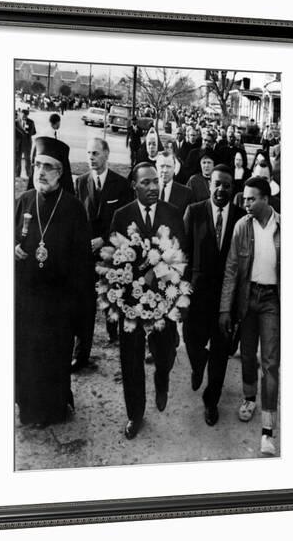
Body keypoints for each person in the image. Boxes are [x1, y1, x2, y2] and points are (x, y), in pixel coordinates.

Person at [14, 137, 93, 427]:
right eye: (37, 165)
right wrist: (12, 249)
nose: (41, 172)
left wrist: (79, 312)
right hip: (26, 299)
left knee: (53, 357)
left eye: (49, 167)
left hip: (58, 303)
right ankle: (29, 407)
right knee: (26, 355)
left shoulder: (73, 209)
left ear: (61, 173)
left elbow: (83, 264)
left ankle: (53, 408)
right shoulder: (23, 200)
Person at [110, 163, 185, 440]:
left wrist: (159, 273)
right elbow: (112, 258)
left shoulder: (173, 214)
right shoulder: (121, 215)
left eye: (156, 182)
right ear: (135, 185)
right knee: (130, 359)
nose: (153, 187)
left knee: (164, 352)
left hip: (163, 300)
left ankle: (162, 378)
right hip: (131, 301)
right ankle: (135, 413)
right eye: (146, 183)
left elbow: (181, 256)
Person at [219, 177, 280, 455]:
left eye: (251, 199)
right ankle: (248, 398)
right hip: (247, 299)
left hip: (271, 302)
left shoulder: (284, 227)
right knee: (246, 355)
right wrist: (225, 308)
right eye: (244, 198)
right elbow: (232, 269)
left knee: (269, 363)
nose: (245, 203)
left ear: (266, 199)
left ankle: (268, 431)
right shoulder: (241, 227)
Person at [182, 165, 245, 426]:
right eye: (217, 183)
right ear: (210, 184)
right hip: (196, 298)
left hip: (224, 302)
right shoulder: (194, 212)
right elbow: (183, 253)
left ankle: (211, 401)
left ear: (233, 189)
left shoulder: (242, 218)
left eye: (227, 185)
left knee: (220, 354)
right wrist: (181, 292)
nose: (221, 189)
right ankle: (198, 366)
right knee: (193, 343)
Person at [74, 138, 132, 369]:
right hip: (86, 255)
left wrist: (105, 240)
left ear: (107, 154)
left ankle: (117, 340)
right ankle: (81, 353)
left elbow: (126, 221)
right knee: (85, 305)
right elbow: (76, 219)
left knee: (113, 299)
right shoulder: (80, 182)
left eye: (96, 153)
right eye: (89, 153)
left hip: (110, 253)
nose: (91, 158)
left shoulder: (120, 184)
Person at [156, 151, 193, 217]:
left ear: (174, 168)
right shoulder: (146, 190)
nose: (165, 170)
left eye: (168, 166)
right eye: (162, 166)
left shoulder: (186, 193)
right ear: (156, 167)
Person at [15, 108, 36, 178]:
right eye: (23, 115)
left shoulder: (31, 122)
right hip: (19, 143)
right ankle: (17, 175)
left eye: (25, 115)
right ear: (20, 114)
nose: (24, 116)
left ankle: (29, 174)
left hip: (27, 143)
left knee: (27, 159)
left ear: (27, 115)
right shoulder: (17, 122)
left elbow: (34, 132)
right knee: (17, 158)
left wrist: (27, 133)